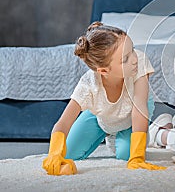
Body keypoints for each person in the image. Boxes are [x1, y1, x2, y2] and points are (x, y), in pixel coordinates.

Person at [42, 22, 166, 175]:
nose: (134, 59)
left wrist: (138, 157)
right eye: (125, 59)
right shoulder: (88, 86)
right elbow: (63, 122)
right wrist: (54, 153)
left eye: (132, 49)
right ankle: (110, 132)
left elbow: (139, 108)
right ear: (104, 70)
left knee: (126, 156)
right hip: (101, 114)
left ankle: (152, 131)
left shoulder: (138, 62)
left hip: (134, 112)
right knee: (68, 153)